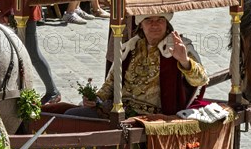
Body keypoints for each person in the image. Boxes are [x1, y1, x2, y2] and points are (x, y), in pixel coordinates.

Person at [66, 12, 209, 118]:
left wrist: (184, 61)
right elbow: (111, 83)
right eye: (149, 20)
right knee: (71, 115)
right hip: (121, 111)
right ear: (141, 24)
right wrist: (95, 99)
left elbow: (201, 80)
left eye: (160, 20)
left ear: (167, 24)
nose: (154, 24)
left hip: (154, 118)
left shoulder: (179, 46)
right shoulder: (131, 47)